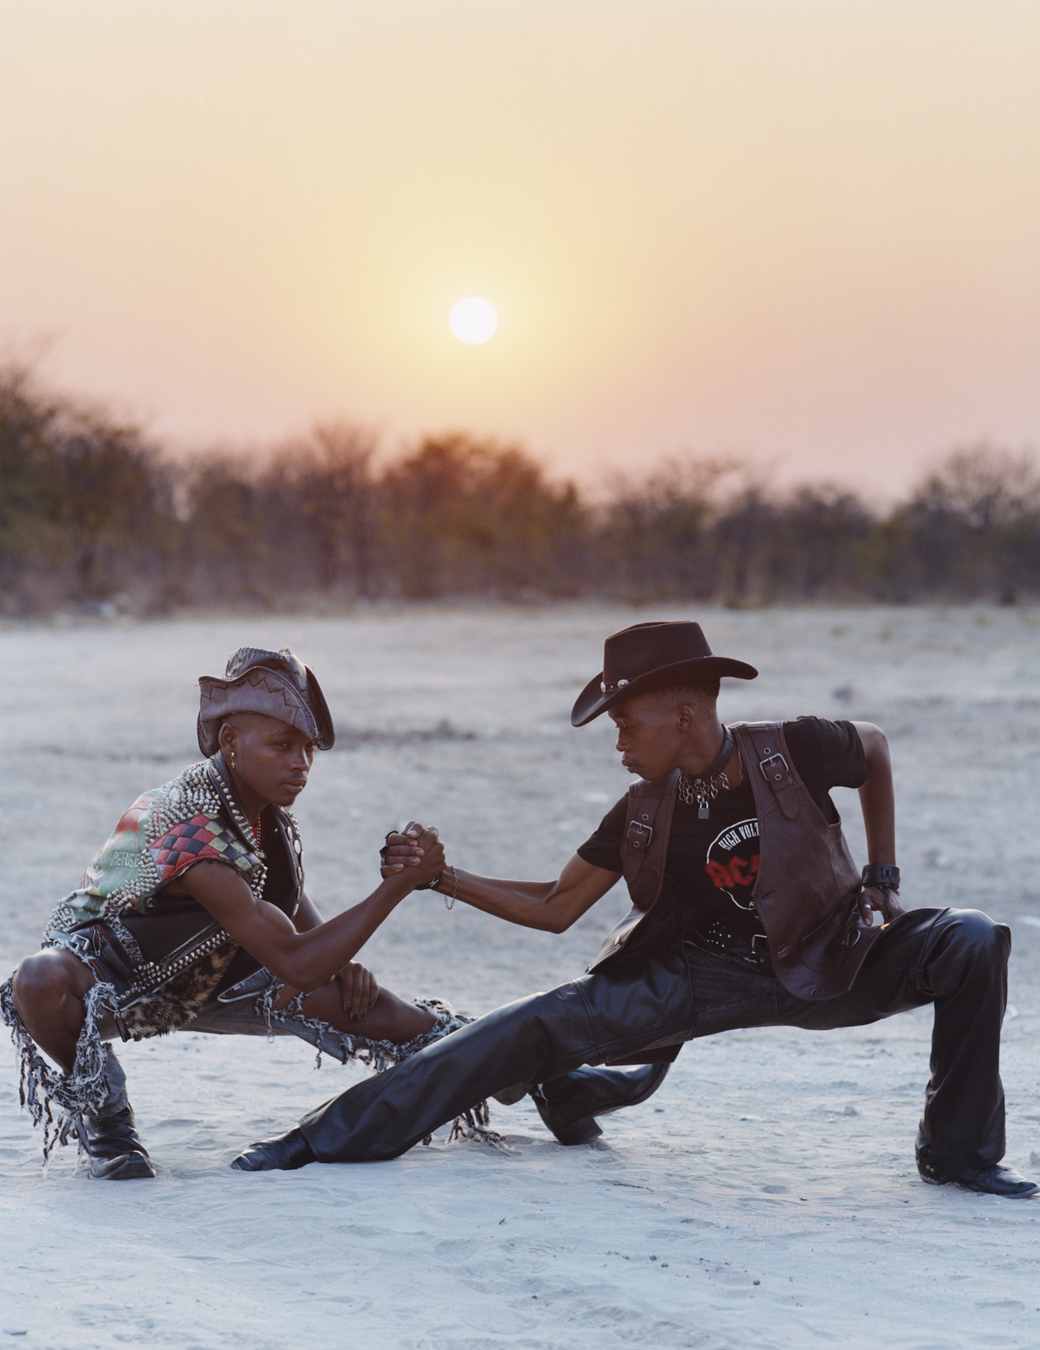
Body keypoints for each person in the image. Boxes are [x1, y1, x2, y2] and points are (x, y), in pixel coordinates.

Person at [231, 621, 1036, 1199]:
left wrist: (884, 874)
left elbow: (877, 747)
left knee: (970, 938)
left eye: (625, 722)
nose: (617, 740)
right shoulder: (642, 810)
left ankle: (960, 1156)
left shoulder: (794, 747)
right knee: (525, 1026)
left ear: (683, 715)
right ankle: (320, 1139)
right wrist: (442, 878)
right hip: (696, 977)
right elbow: (555, 906)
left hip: (834, 955)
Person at [1, 646, 471, 1180]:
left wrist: (341, 966)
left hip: (221, 972)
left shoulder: (260, 810)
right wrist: (400, 885)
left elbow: (286, 902)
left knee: (386, 1014)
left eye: (308, 748)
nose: (301, 763)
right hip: (116, 980)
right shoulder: (181, 820)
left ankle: (531, 1072)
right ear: (230, 741)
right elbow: (295, 961)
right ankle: (108, 1123)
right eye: (282, 745)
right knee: (36, 979)